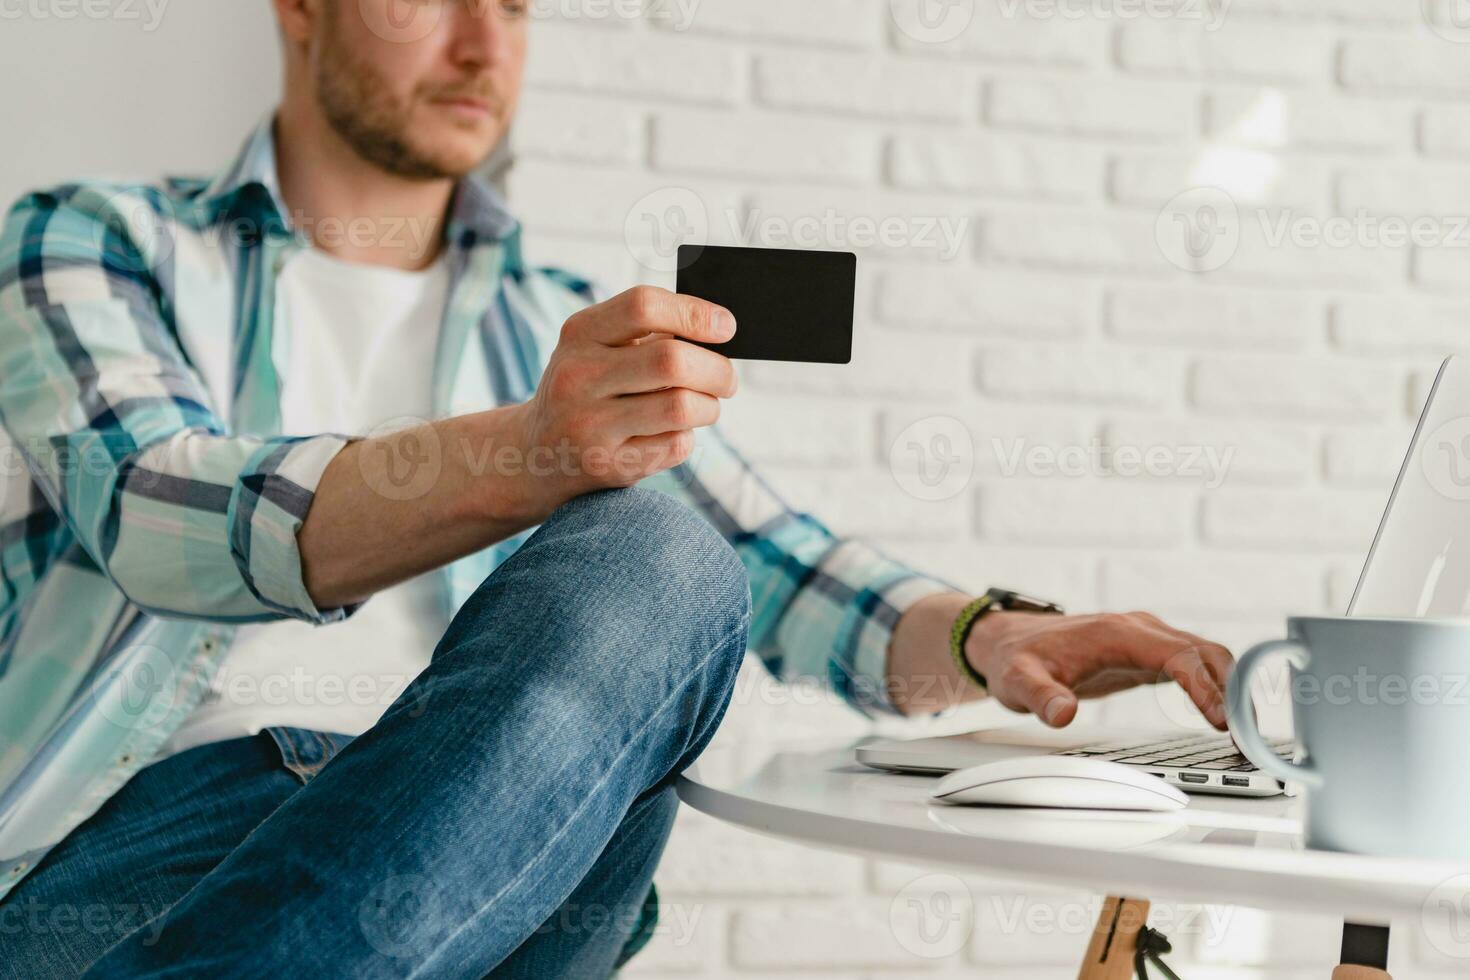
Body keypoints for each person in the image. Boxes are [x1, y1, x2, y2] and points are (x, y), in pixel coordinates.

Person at [0, 1, 1235, 976]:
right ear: (301, 5)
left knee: (665, 554)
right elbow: (154, 512)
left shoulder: (556, 320)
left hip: (501, 856)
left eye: (519, 4)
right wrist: (530, 450)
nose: (486, 43)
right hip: (143, 854)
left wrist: (988, 631)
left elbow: (778, 563)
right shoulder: (97, 240)